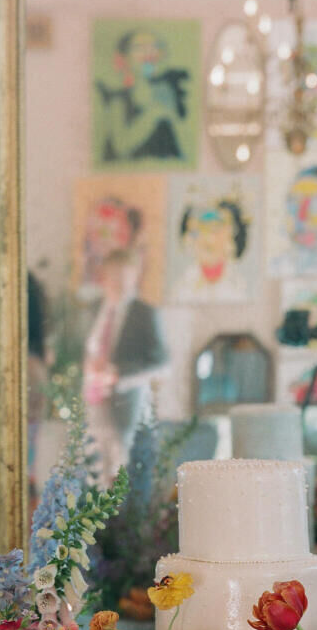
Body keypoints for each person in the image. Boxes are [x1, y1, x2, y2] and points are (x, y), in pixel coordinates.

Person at [82, 249, 169, 480]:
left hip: (126, 401)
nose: (119, 281)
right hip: (92, 398)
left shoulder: (144, 313)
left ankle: (120, 514)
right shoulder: (93, 310)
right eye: (114, 275)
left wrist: (119, 374)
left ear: (134, 277)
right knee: (94, 466)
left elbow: (161, 363)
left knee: (122, 466)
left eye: (125, 275)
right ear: (104, 276)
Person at [95, 29, 190, 163]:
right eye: (139, 48)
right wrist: (154, 113)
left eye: (154, 47)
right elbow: (120, 147)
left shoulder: (166, 92)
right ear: (124, 58)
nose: (148, 53)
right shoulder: (118, 99)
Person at [170, 197, 250, 302]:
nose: (208, 239)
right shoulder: (181, 289)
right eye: (198, 230)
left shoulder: (240, 288)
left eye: (216, 229)